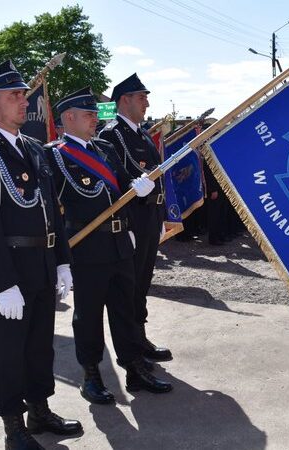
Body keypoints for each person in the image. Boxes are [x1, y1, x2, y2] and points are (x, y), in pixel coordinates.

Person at [0, 60, 81, 449]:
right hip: (10, 266)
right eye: (15, 96)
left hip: (42, 263)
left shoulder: (34, 148)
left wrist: (61, 260)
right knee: (10, 349)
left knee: (41, 343)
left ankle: (39, 410)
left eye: (24, 94)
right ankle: (13, 423)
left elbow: (51, 211)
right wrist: (2, 282)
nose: (24, 102)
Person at [47, 87, 173, 404]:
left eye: (95, 113)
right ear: (69, 118)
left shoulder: (104, 148)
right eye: (88, 114)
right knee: (88, 315)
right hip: (87, 247)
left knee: (125, 310)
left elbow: (121, 183)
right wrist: (59, 256)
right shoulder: (54, 155)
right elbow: (51, 208)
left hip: (120, 243)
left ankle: (133, 369)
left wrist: (137, 188)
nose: (95, 119)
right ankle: (91, 375)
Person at [98, 73, 172, 363]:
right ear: (124, 99)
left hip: (150, 217)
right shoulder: (111, 134)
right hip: (132, 220)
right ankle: (130, 348)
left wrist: (162, 216)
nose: (147, 103)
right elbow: (116, 179)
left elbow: (157, 176)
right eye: (142, 97)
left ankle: (139, 338)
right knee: (128, 287)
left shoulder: (141, 134)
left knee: (141, 283)